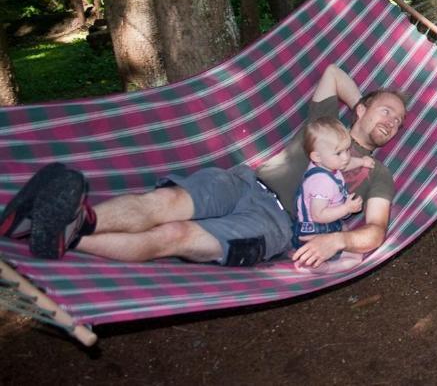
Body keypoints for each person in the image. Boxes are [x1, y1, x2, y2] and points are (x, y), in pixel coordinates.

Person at [0, 65, 407, 271]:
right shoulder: (326, 124)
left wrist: (337, 242)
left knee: (174, 235)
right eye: (386, 110)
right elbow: (335, 73)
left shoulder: (378, 173)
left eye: (398, 123)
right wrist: (358, 106)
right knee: (162, 203)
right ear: (365, 106)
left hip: (275, 226)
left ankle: (55, 230)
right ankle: (59, 222)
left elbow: (374, 231)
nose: (391, 122)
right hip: (243, 181)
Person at [290, 118, 375, 273]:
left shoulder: (326, 164)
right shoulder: (322, 182)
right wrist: (346, 208)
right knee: (355, 256)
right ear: (317, 157)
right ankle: (323, 267)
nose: (346, 156)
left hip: (322, 226)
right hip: (316, 233)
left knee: (348, 232)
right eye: (339, 153)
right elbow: (319, 215)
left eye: (347, 150)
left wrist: (362, 161)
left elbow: (346, 164)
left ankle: (306, 256)